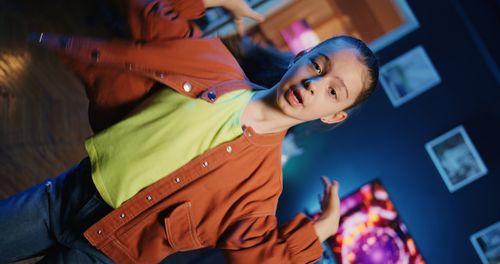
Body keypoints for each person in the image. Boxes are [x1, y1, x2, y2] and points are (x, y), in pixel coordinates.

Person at [0, 0, 379, 263]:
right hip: (66, 195)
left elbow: (263, 260)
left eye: (333, 92)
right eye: (318, 65)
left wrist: (320, 233)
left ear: (334, 116)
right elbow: (151, 13)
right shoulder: (210, 62)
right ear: (299, 57)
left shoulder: (261, 191)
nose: (315, 84)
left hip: (104, 256)